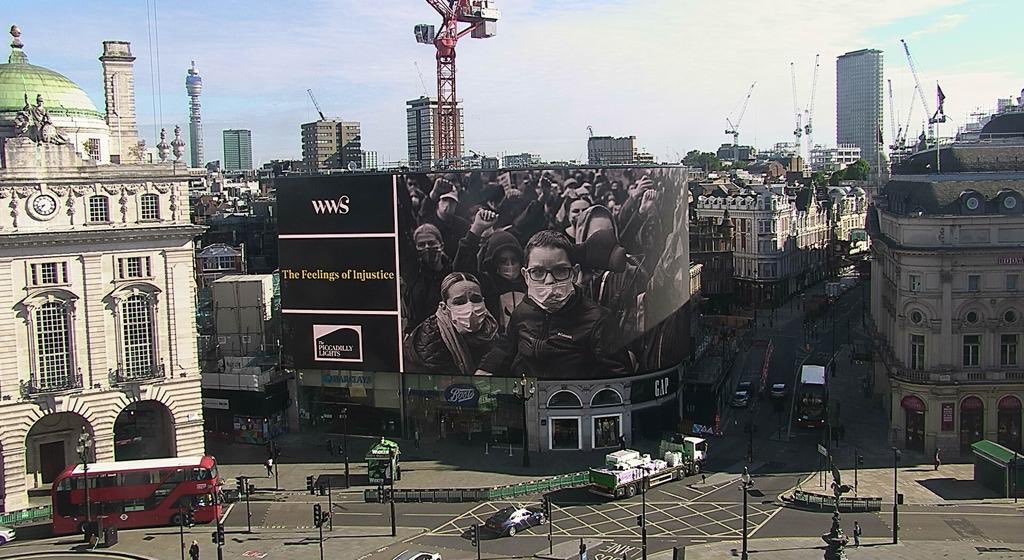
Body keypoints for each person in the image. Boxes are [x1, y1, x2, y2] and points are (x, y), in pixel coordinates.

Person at [483, 230, 632, 379]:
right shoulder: (523, 310)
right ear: (526, 276)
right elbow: (505, 347)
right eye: (537, 271)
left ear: (574, 273)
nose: (549, 281)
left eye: (560, 270)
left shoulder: (598, 320)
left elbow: (620, 378)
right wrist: (485, 370)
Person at [404, 272, 502, 375]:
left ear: (483, 301)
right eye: (459, 302)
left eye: (475, 299)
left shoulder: (493, 332)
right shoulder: (428, 342)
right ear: (444, 307)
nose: (470, 307)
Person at [402, 223, 452, 333]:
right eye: (421, 244)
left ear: (441, 245)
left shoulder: (452, 271)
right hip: (419, 334)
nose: (427, 247)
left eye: (431, 243)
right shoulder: (413, 274)